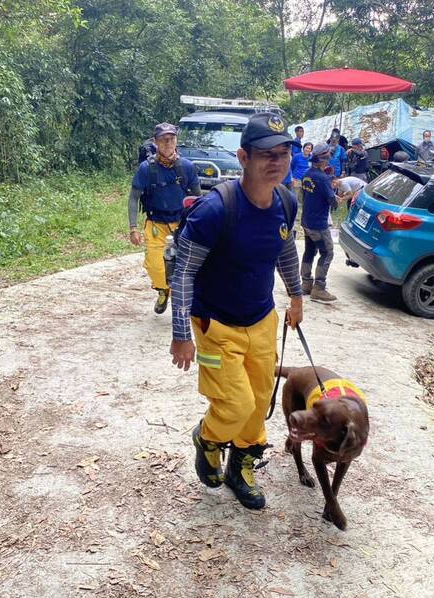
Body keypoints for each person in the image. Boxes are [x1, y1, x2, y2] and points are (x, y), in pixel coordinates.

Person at [169, 112, 303, 510]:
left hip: (262, 319)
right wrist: (180, 334)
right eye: (266, 154)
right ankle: (208, 439)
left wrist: (296, 297)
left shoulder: (285, 201)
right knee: (236, 403)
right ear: (244, 157)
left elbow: (285, 248)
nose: (276, 161)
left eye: (283, 153)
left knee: (260, 401)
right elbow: (183, 273)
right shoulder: (215, 210)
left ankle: (240, 466)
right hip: (215, 324)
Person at [129, 123, 201, 314]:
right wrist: (133, 227)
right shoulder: (146, 169)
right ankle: (163, 290)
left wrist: (200, 224)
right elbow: (134, 197)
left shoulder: (187, 167)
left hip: (181, 224)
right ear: (156, 142)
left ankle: (182, 298)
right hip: (155, 224)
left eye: (172, 139)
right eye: (163, 139)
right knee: (155, 266)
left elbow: (197, 198)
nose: (168, 143)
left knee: (185, 264)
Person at [300, 142, 338, 303]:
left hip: (306, 220)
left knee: (309, 250)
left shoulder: (307, 174)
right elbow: (333, 203)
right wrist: (335, 190)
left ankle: (306, 283)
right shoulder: (322, 179)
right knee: (327, 252)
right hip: (318, 224)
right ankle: (319, 288)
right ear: (325, 159)